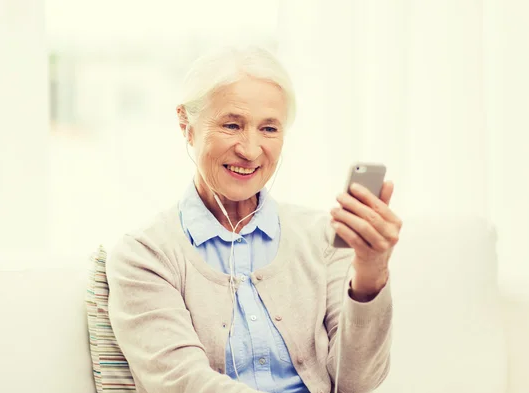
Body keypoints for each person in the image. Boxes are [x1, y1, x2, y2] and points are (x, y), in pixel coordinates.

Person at [107, 45, 402, 393]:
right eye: (232, 125)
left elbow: (358, 383)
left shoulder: (323, 239)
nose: (250, 150)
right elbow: (182, 383)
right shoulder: (144, 255)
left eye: (269, 129)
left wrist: (370, 273)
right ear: (187, 126)